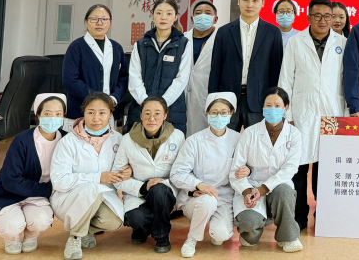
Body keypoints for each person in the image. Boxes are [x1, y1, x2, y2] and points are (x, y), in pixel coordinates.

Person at [278, 0, 349, 230]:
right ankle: (298, 217)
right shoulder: (296, 42)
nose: (323, 20)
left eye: (327, 16)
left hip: (332, 113)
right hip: (301, 113)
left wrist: (345, 114)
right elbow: (286, 79)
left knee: (325, 167)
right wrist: (287, 115)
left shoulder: (342, 42)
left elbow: (346, 81)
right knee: (298, 168)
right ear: (308, 17)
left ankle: (324, 215)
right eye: (317, 15)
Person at [0, 94, 67, 254]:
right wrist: (48, 189)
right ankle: (12, 239)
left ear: (64, 116)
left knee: (41, 220)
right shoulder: (22, 140)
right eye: (47, 113)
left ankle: (31, 236)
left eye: (58, 114)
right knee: (13, 226)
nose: (53, 118)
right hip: (8, 193)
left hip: (37, 196)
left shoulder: (66, 140)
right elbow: (11, 180)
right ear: (38, 115)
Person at [51, 92, 129, 260]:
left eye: (102, 113)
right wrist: (97, 178)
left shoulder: (119, 139)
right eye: (91, 112)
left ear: (110, 114)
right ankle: (75, 237)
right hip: (70, 198)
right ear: (83, 113)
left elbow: (125, 167)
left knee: (114, 221)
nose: (96, 118)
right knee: (92, 189)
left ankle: (85, 230)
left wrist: (128, 171)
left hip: (104, 197)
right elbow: (59, 181)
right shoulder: (68, 142)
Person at [229, 87, 303, 253]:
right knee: (248, 230)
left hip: (278, 186)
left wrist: (263, 190)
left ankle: (288, 236)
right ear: (262, 107)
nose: (272, 109)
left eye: (277, 106)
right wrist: (247, 192)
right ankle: (253, 230)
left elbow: (289, 169)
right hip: (251, 186)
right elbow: (236, 170)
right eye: (268, 105)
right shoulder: (250, 133)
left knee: (284, 192)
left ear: (286, 108)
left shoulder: (294, 134)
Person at [172, 92, 242, 257]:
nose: (219, 116)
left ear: (231, 113)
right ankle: (192, 239)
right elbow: (177, 173)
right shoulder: (194, 141)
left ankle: (214, 227)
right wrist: (198, 185)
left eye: (224, 112)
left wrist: (247, 170)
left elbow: (247, 168)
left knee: (220, 235)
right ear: (207, 113)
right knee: (207, 201)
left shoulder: (238, 139)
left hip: (224, 197)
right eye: (214, 112)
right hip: (196, 196)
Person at [112, 95, 185, 253]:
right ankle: (142, 229)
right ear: (140, 116)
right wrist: (143, 187)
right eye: (147, 113)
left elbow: (183, 170)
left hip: (164, 191)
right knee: (136, 218)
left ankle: (161, 236)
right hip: (138, 192)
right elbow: (117, 177)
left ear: (165, 115)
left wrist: (162, 184)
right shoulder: (127, 140)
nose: (152, 119)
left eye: (157, 113)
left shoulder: (177, 136)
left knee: (158, 189)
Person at [209, 0, 284, 130]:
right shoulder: (224, 32)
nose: (250, 4)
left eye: (255, 0)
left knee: (257, 141)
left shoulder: (273, 32)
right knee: (225, 141)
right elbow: (215, 69)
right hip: (227, 101)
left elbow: (275, 71)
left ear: (263, 3)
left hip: (259, 100)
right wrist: (213, 100)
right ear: (238, 1)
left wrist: (273, 102)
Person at [129, 0, 192, 134]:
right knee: (139, 144)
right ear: (152, 15)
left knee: (171, 145)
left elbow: (182, 78)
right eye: (159, 13)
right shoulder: (141, 44)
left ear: (176, 17)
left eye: (169, 13)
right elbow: (134, 77)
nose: (164, 17)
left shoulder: (184, 44)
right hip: (141, 108)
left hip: (172, 109)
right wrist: (146, 104)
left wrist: (162, 105)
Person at [62, 5, 128, 127]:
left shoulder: (116, 47)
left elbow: (124, 77)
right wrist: (96, 99)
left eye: (104, 19)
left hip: (109, 110)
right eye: (94, 19)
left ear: (110, 23)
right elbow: (69, 80)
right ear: (86, 22)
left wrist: (114, 98)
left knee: (107, 139)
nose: (99, 23)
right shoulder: (76, 47)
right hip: (80, 112)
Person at [185, 1, 220, 134]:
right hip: (183, 95)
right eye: (198, 13)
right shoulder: (182, 39)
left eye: (208, 13)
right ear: (192, 19)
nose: (202, 16)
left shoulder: (221, 40)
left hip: (208, 94)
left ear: (215, 19)